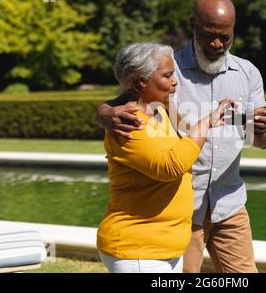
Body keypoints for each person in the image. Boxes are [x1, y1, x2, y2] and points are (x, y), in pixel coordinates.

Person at [97, 0, 266, 273]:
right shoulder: (167, 67)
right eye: (208, 35)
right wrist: (105, 113)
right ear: (193, 24)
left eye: (225, 38)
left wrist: (262, 129)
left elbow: (262, 141)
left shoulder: (247, 73)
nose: (217, 44)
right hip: (183, 213)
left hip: (230, 203)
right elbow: (129, 98)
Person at [96, 42, 233, 273]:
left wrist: (224, 118)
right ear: (141, 80)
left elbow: (185, 135)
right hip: (138, 249)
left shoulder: (159, 110)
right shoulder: (129, 125)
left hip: (165, 249)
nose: (174, 81)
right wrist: (206, 122)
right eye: (167, 75)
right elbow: (171, 166)